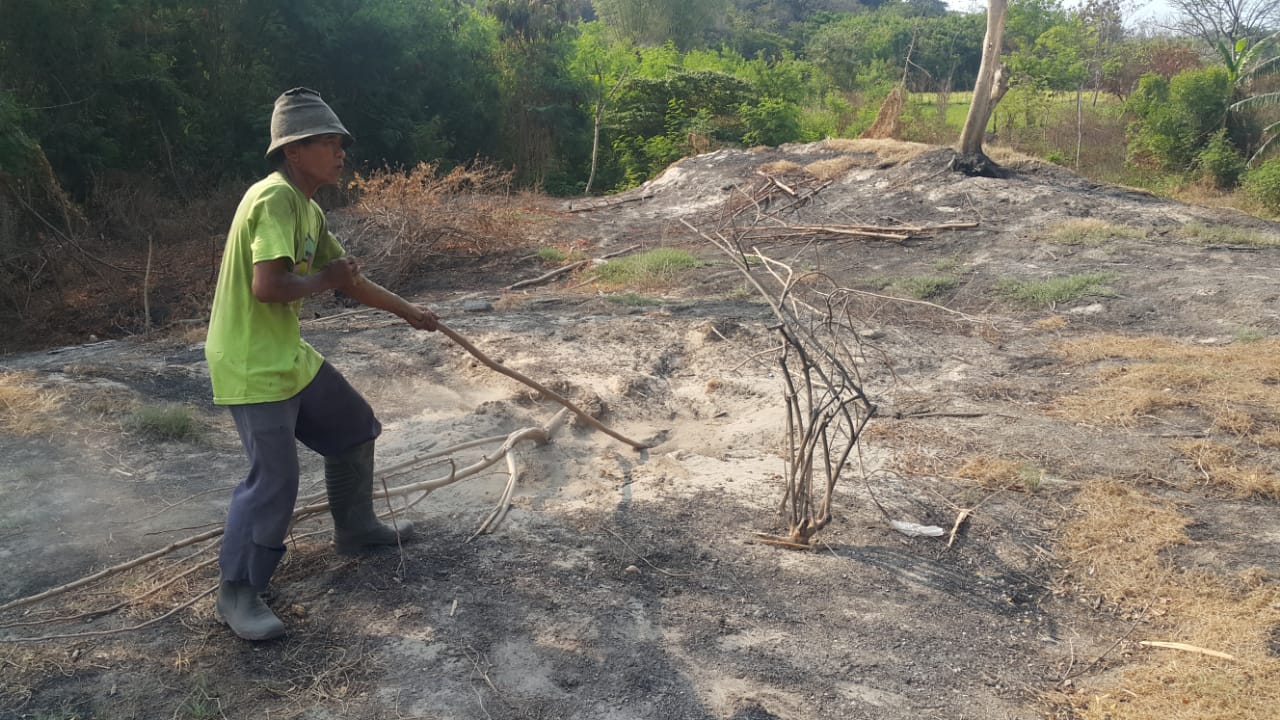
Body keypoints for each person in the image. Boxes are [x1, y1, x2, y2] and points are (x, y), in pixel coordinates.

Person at [205, 87, 439, 641]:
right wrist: (326, 282)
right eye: (328, 144)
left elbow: (347, 278)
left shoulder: (307, 209)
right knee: (274, 479)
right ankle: (237, 592)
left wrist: (409, 312)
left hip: (284, 353)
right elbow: (269, 286)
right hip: (249, 361)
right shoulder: (273, 200)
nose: (340, 153)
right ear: (293, 151)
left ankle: (356, 529)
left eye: (341, 144)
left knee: (353, 425)